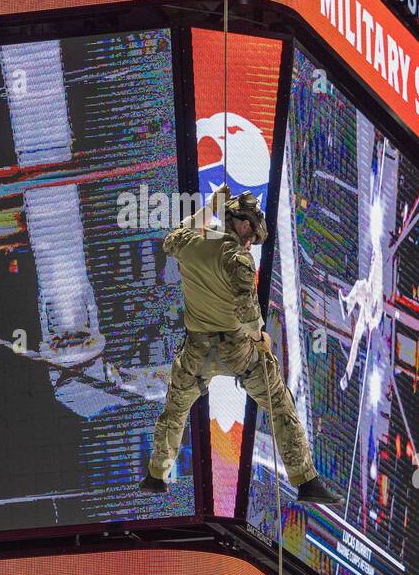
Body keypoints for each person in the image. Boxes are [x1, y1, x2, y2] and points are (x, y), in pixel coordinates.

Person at [141, 184, 343, 506]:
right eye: (253, 237)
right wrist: (260, 337)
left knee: (175, 410)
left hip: (196, 352)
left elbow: (173, 237)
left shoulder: (191, 245)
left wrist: (211, 205)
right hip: (238, 351)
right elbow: (247, 309)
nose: (252, 244)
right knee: (280, 403)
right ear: (245, 224)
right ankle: (306, 481)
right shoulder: (239, 258)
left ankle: (156, 476)